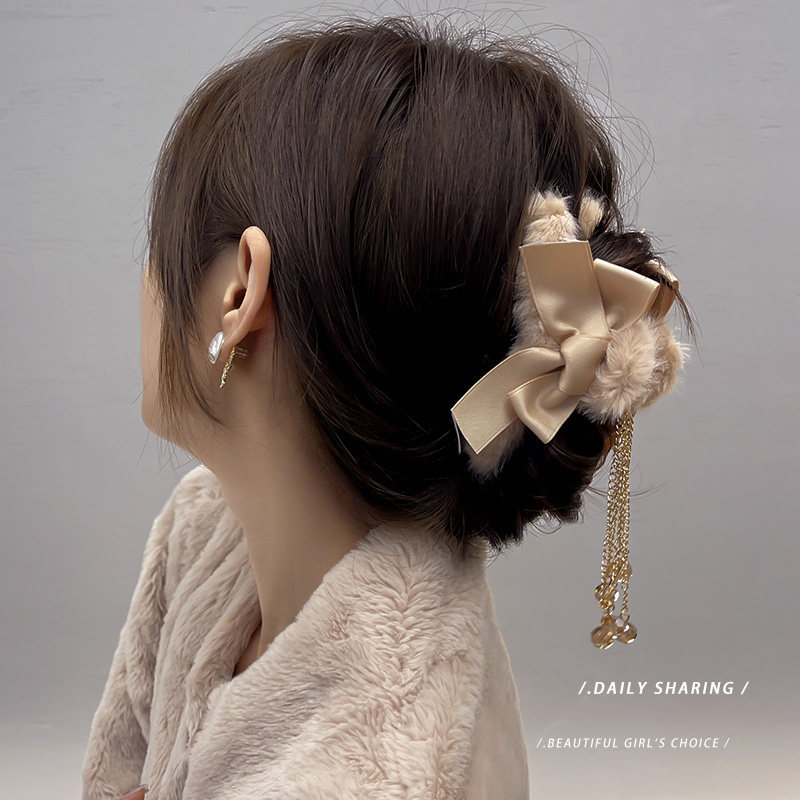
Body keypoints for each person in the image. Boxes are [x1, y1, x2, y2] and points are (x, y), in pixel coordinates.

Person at [81, 14, 694, 800]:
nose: (147, 283)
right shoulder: (207, 532)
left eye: (158, 247)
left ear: (239, 295)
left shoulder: (367, 770)